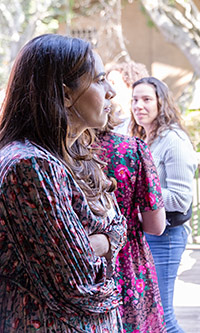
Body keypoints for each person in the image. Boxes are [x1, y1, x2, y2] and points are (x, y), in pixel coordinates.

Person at [0, 34, 126, 331]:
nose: (111, 92)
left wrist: (103, 241)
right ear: (65, 95)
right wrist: (108, 241)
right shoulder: (31, 166)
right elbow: (79, 277)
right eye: (99, 80)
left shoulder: (73, 154)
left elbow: (117, 226)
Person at [130, 76, 198, 333]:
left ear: (161, 102)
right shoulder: (147, 138)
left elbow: (181, 198)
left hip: (167, 236)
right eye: (135, 100)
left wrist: (140, 197)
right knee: (150, 313)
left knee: (163, 316)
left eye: (146, 99)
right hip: (148, 233)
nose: (139, 105)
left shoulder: (173, 140)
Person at [97, 107, 168, 331]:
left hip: (72, 263)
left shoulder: (53, 152)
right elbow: (156, 226)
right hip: (125, 263)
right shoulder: (130, 149)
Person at [106, 60, 149, 135]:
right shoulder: (108, 120)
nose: (109, 88)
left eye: (113, 83)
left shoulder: (142, 121)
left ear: (130, 85)